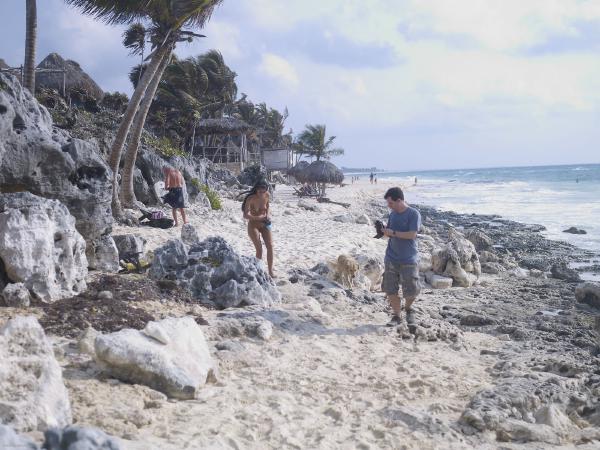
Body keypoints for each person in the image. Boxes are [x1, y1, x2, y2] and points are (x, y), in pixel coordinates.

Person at [381, 187, 422, 327]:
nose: (389, 206)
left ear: (399, 200)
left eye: (391, 203)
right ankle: (397, 316)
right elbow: (391, 232)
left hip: (409, 258)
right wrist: (384, 230)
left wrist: (392, 232)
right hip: (391, 257)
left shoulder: (413, 214)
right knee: (389, 288)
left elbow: (412, 235)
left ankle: (409, 308)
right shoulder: (392, 214)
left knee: (411, 290)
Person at [242, 179, 275, 278]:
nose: (261, 193)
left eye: (263, 191)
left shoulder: (267, 195)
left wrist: (268, 214)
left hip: (265, 224)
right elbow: (245, 215)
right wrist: (257, 218)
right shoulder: (250, 199)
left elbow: (268, 206)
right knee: (259, 249)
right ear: (256, 190)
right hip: (253, 225)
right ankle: (258, 271)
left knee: (270, 246)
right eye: (259, 191)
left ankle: (270, 271)